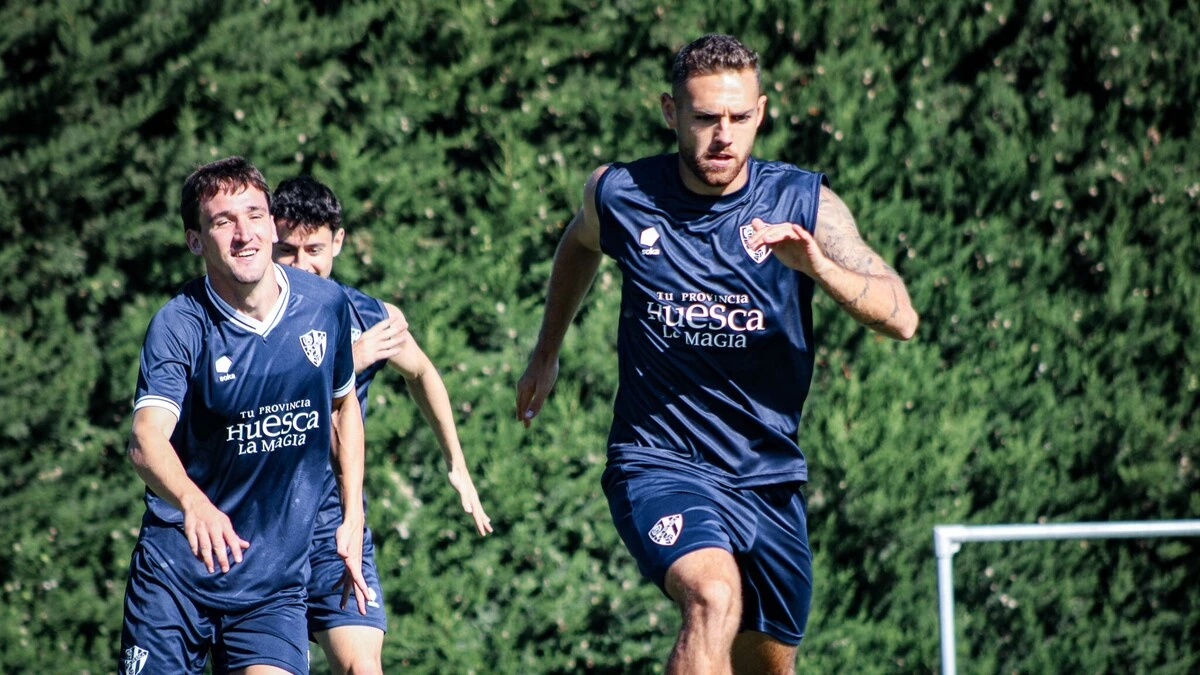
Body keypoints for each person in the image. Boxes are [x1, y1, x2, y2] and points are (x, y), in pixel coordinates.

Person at [515, 34, 918, 675]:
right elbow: (580, 240)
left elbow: (902, 317)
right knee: (712, 595)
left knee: (769, 665)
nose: (723, 135)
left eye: (737, 117)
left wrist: (820, 268)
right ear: (672, 113)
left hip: (768, 477)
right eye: (705, 118)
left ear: (760, 111)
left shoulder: (803, 205)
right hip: (659, 460)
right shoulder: (622, 193)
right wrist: (546, 351)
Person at [121, 157, 370, 675]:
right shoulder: (178, 325)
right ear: (195, 240)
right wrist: (195, 503)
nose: (244, 234)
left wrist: (352, 513)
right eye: (222, 221)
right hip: (176, 580)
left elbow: (344, 406)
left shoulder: (325, 305)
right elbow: (146, 440)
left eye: (255, 215)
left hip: (272, 586)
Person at [271, 176, 492, 675]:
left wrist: (456, 463)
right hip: (264, 534)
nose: (302, 264)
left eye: (314, 249)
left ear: (339, 243)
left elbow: (422, 373)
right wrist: (352, 358)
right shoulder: (245, 321)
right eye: (287, 251)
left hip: (337, 529)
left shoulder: (365, 314)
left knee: (363, 669)